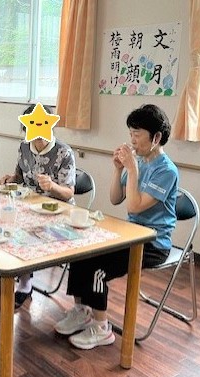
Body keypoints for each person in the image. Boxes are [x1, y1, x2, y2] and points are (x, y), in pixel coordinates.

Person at [55, 104, 178, 350]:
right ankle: (82, 311)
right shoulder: (139, 162)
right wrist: (118, 169)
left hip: (153, 242)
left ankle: (102, 328)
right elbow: (115, 198)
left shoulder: (166, 171)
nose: (132, 140)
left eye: (137, 134)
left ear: (156, 138)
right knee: (80, 252)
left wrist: (131, 169)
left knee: (98, 269)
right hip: (130, 234)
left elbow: (134, 207)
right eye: (130, 133)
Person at [0, 104, 76, 310]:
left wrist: (52, 186)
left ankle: (20, 282)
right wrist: (11, 178)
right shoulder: (25, 146)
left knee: (21, 228)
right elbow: (20, 175)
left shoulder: (63, 152)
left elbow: (69, 192)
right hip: (27, 204)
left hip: (56, 211)